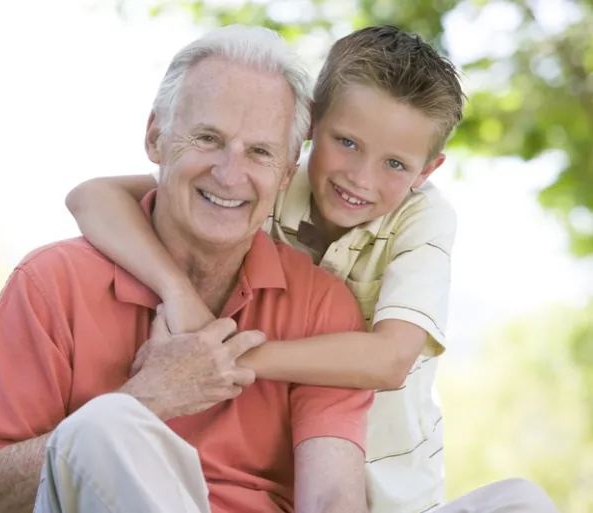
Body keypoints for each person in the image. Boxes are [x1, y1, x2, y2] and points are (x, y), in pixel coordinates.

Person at [65, 25, 559, 512]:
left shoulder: (423, 218)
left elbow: (388, 360)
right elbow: (92, 196)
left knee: (523, 501)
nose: (360, 178)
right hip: (287, 477)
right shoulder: (263, 183)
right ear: (308, 127)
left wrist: (223, 358)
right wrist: (178, 294)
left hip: (389, 492)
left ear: (426, 171)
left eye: (395, 165)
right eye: (346, 142)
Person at [0, 25, 375, 513]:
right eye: (208, 138)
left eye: (259, 151)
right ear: (156, 138)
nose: (230, 174)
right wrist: (148, 399)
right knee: (105, 426)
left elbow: (333, 501)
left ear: (286, 171)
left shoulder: (321, 307)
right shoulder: (52, 282)